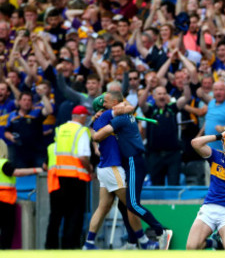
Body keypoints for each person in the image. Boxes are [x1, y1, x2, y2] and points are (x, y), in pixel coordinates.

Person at [92, 91, 173, 250]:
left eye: (106, 102)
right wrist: (100, 117)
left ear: (114, 103)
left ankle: (160, 230)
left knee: (133, 204)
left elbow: (97, 136)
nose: (103, 105)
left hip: (133, 161)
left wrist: (100, 119)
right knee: (124, 206)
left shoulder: (121, 118)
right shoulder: (121, 114)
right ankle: (131, 242)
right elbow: (123, 109)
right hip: (130, 162)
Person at [83, 94, 153, 250]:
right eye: (110, 103)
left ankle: (89, 243)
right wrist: (120, 106)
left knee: (103, 207)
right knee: (131, 205)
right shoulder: (108, 115)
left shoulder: (98, 120)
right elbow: (129, 108)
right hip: (112, 167)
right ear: (104, 106)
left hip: (103, 168)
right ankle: (143, 241)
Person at [45, 105, 92, 249]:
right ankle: (70, 247)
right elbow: (83, 156)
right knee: (75, 215)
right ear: (82, 117)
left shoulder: (60, 129)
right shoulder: (81, 131)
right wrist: (90, 169)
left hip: (59, 177)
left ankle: (50, 247)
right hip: (76, 177)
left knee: (58, 215)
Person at [0, 140, 42, 249]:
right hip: (5, 201)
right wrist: (35, 170)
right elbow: (16, 173)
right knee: (7, 230)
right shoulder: (4, 164)